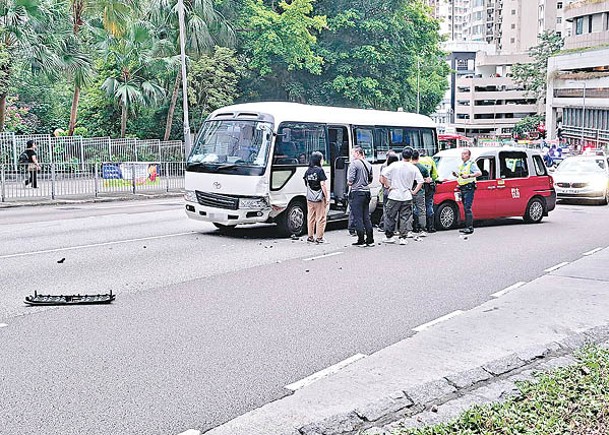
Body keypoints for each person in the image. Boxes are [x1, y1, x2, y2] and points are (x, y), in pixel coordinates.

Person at [380, 147, 424, 245]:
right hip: (407, 196)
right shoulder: (413, 168)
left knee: (390, 216)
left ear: (401, 155)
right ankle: (403, 238)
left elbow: (383, 175)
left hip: (394, 195)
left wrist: (388, 186)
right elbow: (421, 181)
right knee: (405, 217)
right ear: (411, 156)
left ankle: (389, 236)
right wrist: (414, 191)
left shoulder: (395, 165)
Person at [347, 147, 374, 247]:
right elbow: (370, 180)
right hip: (367, 192)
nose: (352, 155)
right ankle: (370, 239)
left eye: (353, 153)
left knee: (358, 217)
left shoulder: (354, 164)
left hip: (357, 192)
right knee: (366, 216)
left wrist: (350, 182)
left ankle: (361, 239)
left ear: (358, 153)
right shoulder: (369, 164)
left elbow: (350, 180)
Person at [452, 148, 482, 235]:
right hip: (463, 188)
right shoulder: (462, 164)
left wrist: (469, 175)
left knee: (467, 208)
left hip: (469, 188)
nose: (462, 155)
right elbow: (461, 175)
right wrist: (456, 175)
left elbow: (479, 173)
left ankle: (470, 227)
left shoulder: (471, 164)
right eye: (462, 153)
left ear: (469, 155)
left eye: (465, 154)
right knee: (465, 207)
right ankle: (466, 226)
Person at [303, 151, 329, 244]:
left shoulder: (308, 170)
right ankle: (319, 238)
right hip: (319, 198)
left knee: (310, 217)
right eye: (322, 159)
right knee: (321, 218)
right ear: (319, 160)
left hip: (310, 198)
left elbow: (306, 183)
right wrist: (327, 197)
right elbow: (323, 184)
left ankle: (310, 237)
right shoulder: (320, 170)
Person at [411, 150, 432, 237]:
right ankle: (423, 229)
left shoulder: (409, 167)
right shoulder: (423, 168)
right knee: (421, 210)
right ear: (418, 157)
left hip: (409, 191)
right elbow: (428, 180)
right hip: (420, 191)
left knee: (408, 210)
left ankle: (410, 229)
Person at [418, 149, 439, 232]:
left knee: (419, 206)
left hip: (419, 186)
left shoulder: (417, 161)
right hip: (429, 186)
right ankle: (430, 226)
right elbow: (435, 175)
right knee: (429, 205)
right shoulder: (430, 160)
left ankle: (419, 227)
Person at [377, 150, 398, 232]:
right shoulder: (387, 166)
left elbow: (381, 179)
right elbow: (381, 179)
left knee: (387, 209)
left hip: (387, 190)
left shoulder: (384, 166)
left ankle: (385, 226)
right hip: (390, 190)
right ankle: (388, 227)